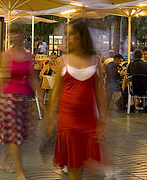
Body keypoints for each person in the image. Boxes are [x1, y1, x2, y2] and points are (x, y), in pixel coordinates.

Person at [46, 18, 108, 180]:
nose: (68, 38)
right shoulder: (62, 61)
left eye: (71, 34)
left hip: (89, 120)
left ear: (82, 36)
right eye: (67, 34)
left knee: (89, 165)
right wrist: (50, 116)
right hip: (68, 121)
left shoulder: (95, 61)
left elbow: (100, 94)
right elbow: (56, 92)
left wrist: (103, 121)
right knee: (74, 166)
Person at [0, 24, 41, 180]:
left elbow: (32, 77)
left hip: (24, 99)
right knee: (16, 136)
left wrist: (40, 97)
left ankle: (3, 160)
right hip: (9, 98)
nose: (15, 36)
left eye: (18, 33)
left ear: (23, 35)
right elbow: (1, 77)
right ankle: (20, 171)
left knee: (20, 135)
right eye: (12, 34)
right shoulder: (6, 55)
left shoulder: (29, 56)